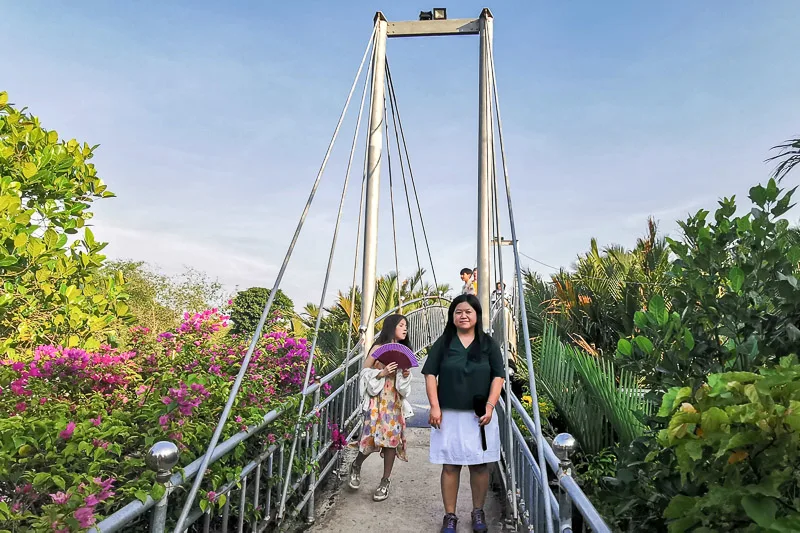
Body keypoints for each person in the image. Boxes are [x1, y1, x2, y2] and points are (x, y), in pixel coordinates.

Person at [422, 295, 505, 533]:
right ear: (452, 316)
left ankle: (478, 512)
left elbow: (498, 377)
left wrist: (490, 406)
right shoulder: (445, 342)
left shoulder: (488, 344)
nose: (463, 316)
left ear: (477, 315)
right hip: (448, 415)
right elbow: (429, 374)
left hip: (479, 416)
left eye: (468, 311)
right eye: (458, 312)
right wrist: (434, 406)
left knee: (479, 466)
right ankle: (450, 516)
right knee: (450, 466)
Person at [348, 314, 414, 501]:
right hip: (377, 401)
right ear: (391, 326)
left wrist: (405, 374)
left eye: (406, 326)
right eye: (401, 325)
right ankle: (356, 465)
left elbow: (405, 386)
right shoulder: (377, 348)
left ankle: (385, 481)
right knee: (370, 438)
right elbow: (364, 373)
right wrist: (381, 373)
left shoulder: (404, 350)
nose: (405, 328)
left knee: (391, 441)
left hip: (394, 402)